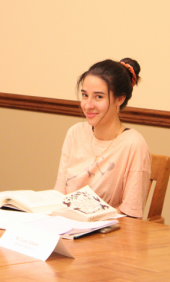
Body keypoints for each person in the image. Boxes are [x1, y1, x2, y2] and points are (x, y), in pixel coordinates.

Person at [53, 58, 151, 218]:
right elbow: (59, 194)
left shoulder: (133, 144)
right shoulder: (75, 133)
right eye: (85, 95)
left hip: (108, 235)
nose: (88, 105)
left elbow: (131, 214)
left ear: (120, 99)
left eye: (98, 97)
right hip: (66, 227)